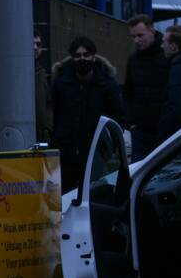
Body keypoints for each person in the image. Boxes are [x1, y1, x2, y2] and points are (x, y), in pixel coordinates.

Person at [51, 36, 126, 193]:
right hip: (66, 152)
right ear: (72, 58)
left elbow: (118, 117)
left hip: (96, 152)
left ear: (93, 56)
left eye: (86, 55)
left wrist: (108, 146)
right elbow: (54, 115)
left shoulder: (107, 84)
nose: (82, 59)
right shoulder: (61, 84)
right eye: (77, 56)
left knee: (94, 194)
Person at [123, 14, 170, 161]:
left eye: (140, 35)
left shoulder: (167, 56)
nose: (137, 40)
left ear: (152, 31)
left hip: (164, 128)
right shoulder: (133, 60)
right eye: (133, 36)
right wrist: (131, 122)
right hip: (141, 130)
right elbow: (128, 92)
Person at [34, 33, 53, 144]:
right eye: (32, 43)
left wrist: (48, 128)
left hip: (41, 136)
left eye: (38, 44)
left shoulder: (43, 74)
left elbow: (49, 103)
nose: (35, 48)